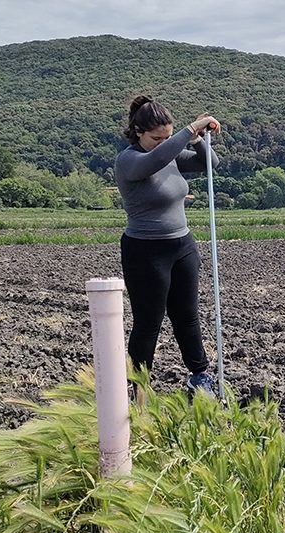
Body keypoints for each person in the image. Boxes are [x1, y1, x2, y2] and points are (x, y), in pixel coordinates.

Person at [114, 94, 221, 397]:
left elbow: (210, 164)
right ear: (138, 133)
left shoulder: (169, 154)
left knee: (187, 315)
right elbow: (157, 160)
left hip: (182, 246)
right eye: (156, 138)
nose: (163, 143)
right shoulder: (129, 160)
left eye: (167, 137)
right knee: (149, 322)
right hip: (145, 251)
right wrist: (189, 130)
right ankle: (137, 387)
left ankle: (199, 377)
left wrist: (199, 139)